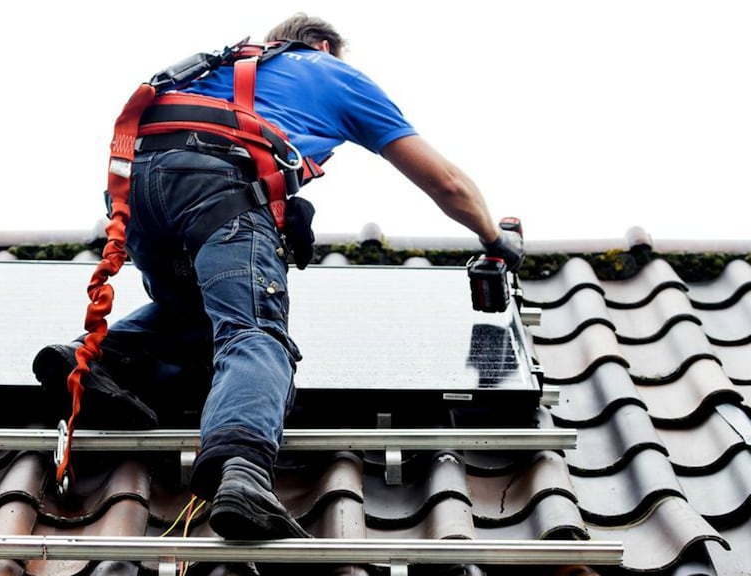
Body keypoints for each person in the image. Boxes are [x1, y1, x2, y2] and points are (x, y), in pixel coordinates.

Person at [34, 12, 524, 540]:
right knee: (253, 330)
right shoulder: (329, 71)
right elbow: (446, 183)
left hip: (135, 193)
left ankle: (93, 357)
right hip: (216, 187)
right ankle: (242, 474)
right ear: (321, 44)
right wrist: (496, 240)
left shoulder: (214, 67)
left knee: (196, 314)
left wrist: (283, 211)